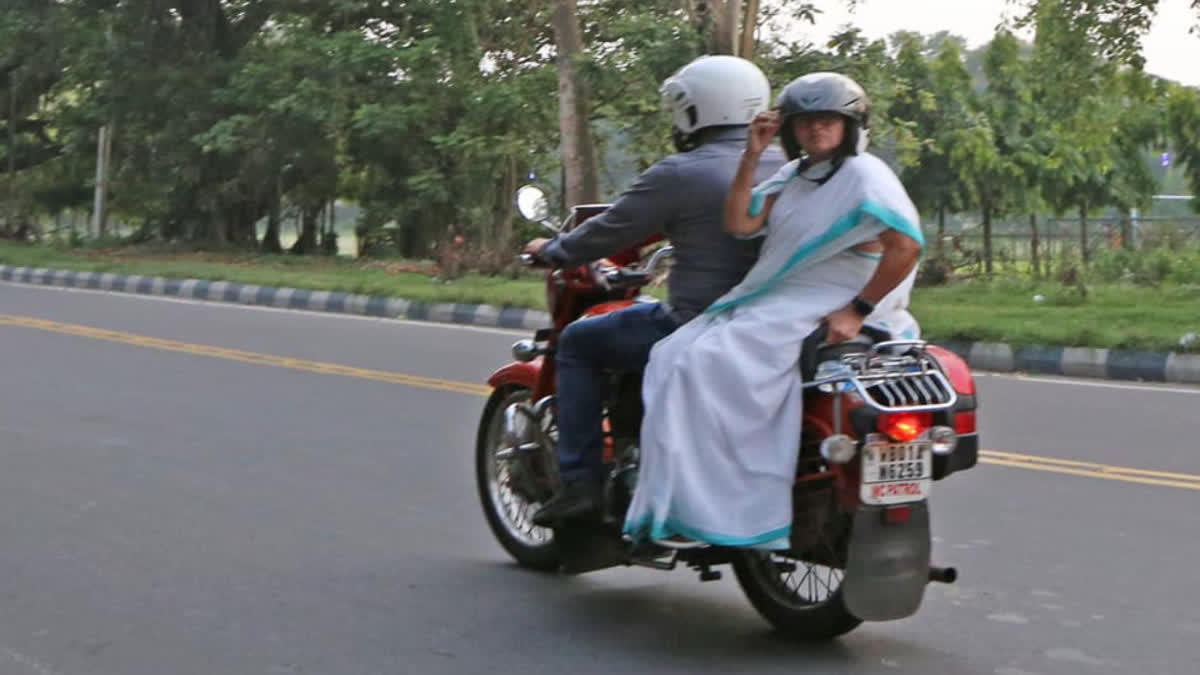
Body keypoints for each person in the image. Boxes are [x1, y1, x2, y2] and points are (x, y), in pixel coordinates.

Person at [623, 72, 924, 548]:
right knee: (669, 355)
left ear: (852, 125)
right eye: (804, 122)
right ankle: (684, 494)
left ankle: (729, 504)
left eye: (828, 121)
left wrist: (857, 311)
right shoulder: (796, 174)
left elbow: (905, 247)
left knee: (702, 362)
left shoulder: (864, 176)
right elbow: (740, 223)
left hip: (831, 299)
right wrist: (752, 155)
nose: (815, 131)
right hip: (785, 297)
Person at [524, 55, 787, 526]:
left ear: (694, 111)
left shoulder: (681, 172)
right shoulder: (792, 162)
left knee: (580, 343)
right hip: (778, 324)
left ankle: (581, 485)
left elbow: (610, 230)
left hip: (700, 324)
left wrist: (555, 249)